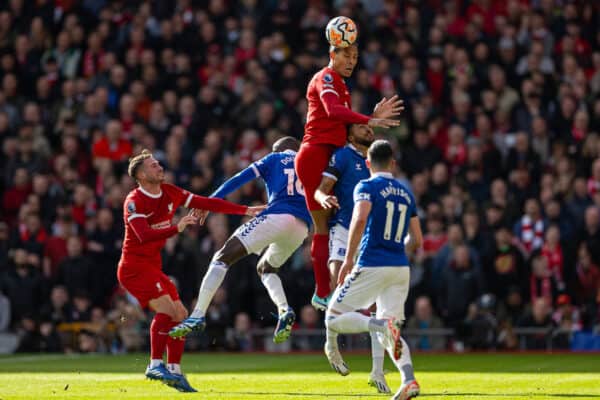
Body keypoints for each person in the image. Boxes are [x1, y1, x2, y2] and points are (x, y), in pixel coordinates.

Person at [118, 149, 262, 392]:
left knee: (181, 313)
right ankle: (154, 364)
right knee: (167, 309)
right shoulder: (134, 201)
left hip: (152, 267)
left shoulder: (170, 192)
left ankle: (174, 371)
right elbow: (142, 235)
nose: (160, 167)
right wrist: (177, 228)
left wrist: (245, 210)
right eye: (154, 166)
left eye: (158, 164)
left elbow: (206, 203)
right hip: (134, 268)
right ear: (142, 175)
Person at [169, 137, 311, 344]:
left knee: (221, 257)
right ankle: (284, 310)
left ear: (279, 149)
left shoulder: (274, 158)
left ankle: (198, 315)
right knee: (267, 268)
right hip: (301, 228)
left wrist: (210, 202)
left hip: (277, 215)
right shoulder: (308, 163)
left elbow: (237, 179)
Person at [294, 42, 403, 310]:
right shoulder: (326, 77)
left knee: (328, 227)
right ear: (332, 54)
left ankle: (327, 293)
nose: (352, 61)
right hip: (315, 153)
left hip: (326, 153)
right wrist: (371, 119)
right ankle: (324, 293)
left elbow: (347, 128)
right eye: (346, 55)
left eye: (355, 56)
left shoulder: (343, 87)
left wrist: (370, 118)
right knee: (323, 228)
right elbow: (332, 111)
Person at [324, 140, 422, 400]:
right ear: (393, 163)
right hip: (400, 267)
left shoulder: (365, 186)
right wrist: (399, 252)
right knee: (392, 331)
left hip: (372, 261)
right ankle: (408, 379)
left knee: (332, 317)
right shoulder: (405, 192)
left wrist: (347, 261)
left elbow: (359, 218)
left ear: (367, 163)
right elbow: (417, 240)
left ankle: (378, 325)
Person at [315, 124, 390, 393]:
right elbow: (321, 188)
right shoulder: (342, 156)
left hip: (370, 235)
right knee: (340, 287)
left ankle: (377, 371)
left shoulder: (376, 161)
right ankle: (331, 344)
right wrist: (324, 198)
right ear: (349, 134)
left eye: (370, 127)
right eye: (362, 127)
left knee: (375, 304)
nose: (368, 130)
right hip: (344, 228)